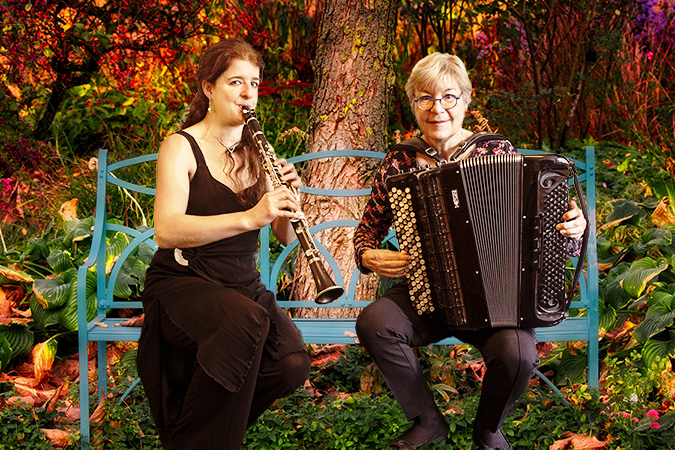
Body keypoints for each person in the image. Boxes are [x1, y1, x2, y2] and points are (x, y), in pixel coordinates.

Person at [353, 52, 587, 450]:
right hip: (427, 295)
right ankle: (428, 421)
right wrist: (367, 256)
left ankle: (488, 430)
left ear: (466, 100)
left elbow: (548, 236)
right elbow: (366, 234)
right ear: (413, 105)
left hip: (496, 302)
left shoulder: (497, 152)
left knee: (518, 355)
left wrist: (573, 230)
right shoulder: (399, 161)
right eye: (424, 98)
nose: (437, 108)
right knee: (375, 322)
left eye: (448, 97)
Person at [136, 38, 311, 450]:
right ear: (208, 88)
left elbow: (283, 235)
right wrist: (251, 216)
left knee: (291, 364)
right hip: (183, 281)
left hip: (241, 285)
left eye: (254, 82)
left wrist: (289, 204)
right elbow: (167, 230)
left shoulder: (260, 153)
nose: (248, 92)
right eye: (236, 82)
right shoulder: (180, 146)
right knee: (243, 322)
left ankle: (191, 440)